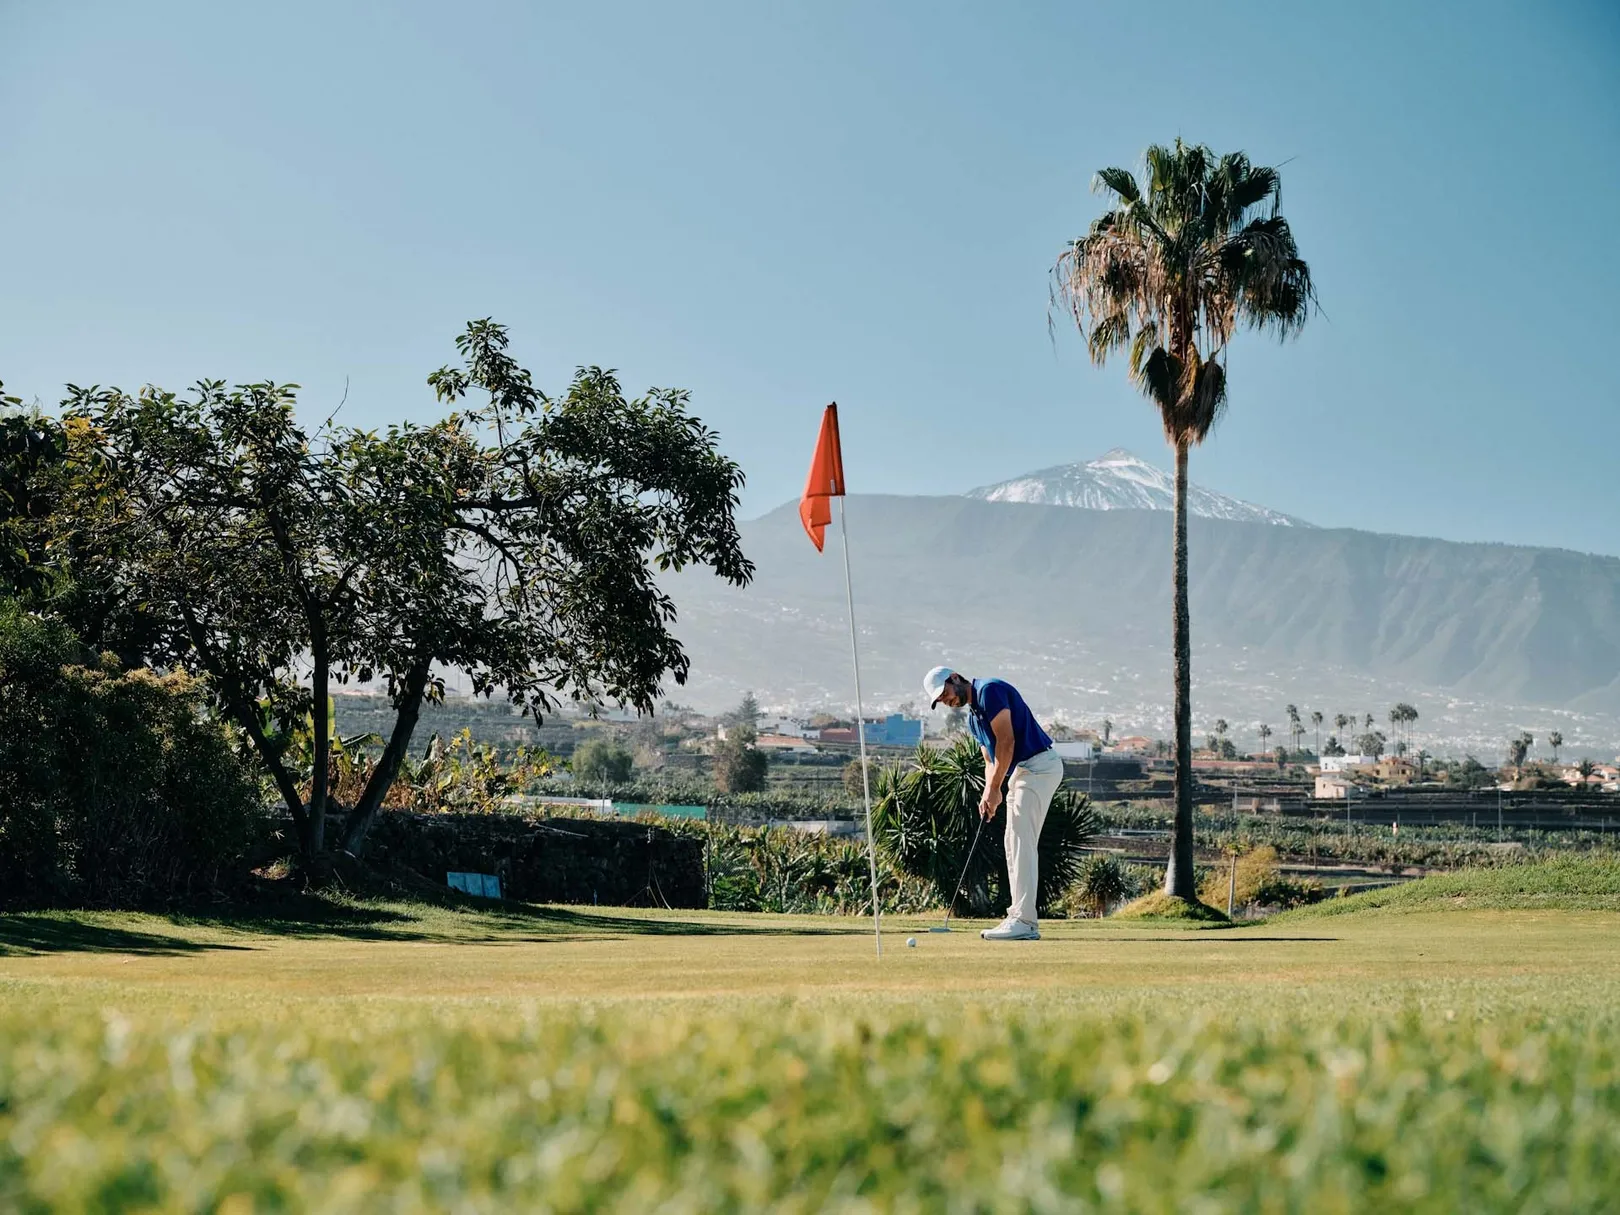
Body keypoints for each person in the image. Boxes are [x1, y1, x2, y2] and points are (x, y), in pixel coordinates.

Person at [922, 665, 1061, 941]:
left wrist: (996, 788)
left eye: (945, 693)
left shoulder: (990, 690)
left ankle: (1024, 921)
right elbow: (990, 761)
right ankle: (1019, 917)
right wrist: (990, 794)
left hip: (1039, 767)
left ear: (955, 678)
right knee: (1012, 842)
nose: (947, 701)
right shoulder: (974, 719)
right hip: (1023, 773)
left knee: (1021, 840)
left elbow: (1006, 743)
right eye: (941, 700)